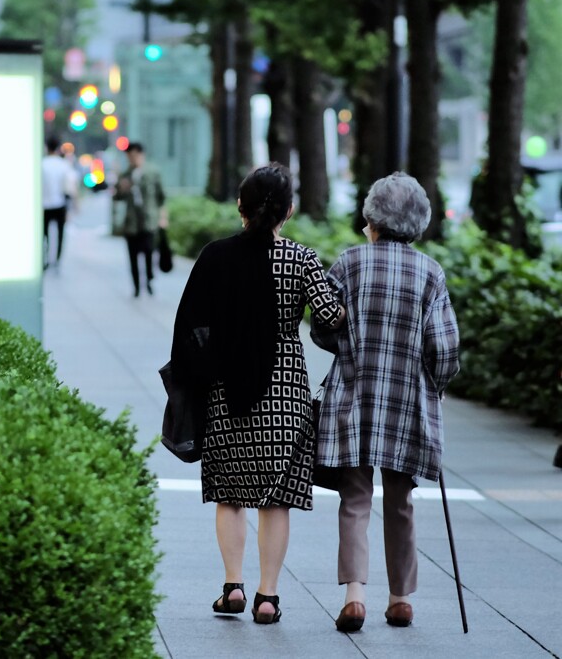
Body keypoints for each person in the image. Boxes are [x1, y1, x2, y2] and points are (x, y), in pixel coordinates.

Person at [170, 163, 345, 624]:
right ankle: (268, 596)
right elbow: (330, 317)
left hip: (226, 387)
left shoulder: (214, 256)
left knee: (229, 493)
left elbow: (189, 326)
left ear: (240, 207)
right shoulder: (301, 259)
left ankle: (232, 587)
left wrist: (204, 373)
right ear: (288, 210)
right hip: (284, 389)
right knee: (276, 498)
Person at [312, 172, 460, 633]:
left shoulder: (348, 263)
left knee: (354, 497)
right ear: (417, 223)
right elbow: (445, 349)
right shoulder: (430, 273)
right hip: (406, 401)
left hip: (353, 397)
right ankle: (399, 599)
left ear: (372, 218)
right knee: (401, 500)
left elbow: (322, 327)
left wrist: (347, 347)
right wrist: (436, 383)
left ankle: (355, 595)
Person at [114, 142, 166, 296]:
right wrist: (121, 188)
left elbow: (161, 197)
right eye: (130, 156)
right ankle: (136, 286)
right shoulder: (125, 175)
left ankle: (149, 279)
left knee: (149, 251)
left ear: (141, 155)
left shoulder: (152, 172)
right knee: (133, 255)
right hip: (131, 222)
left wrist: (163, 218)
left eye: (135, 156)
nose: (133, 159)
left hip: (149, 220)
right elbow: (117, 197)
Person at [42, 136, 77, 270]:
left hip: (44, 205)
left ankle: (45, 258)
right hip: (60, 204)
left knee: (44, 234)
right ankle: (57, 258)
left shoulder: (42, 164)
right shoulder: (63, 165)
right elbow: (69, 187)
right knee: (60, 233)